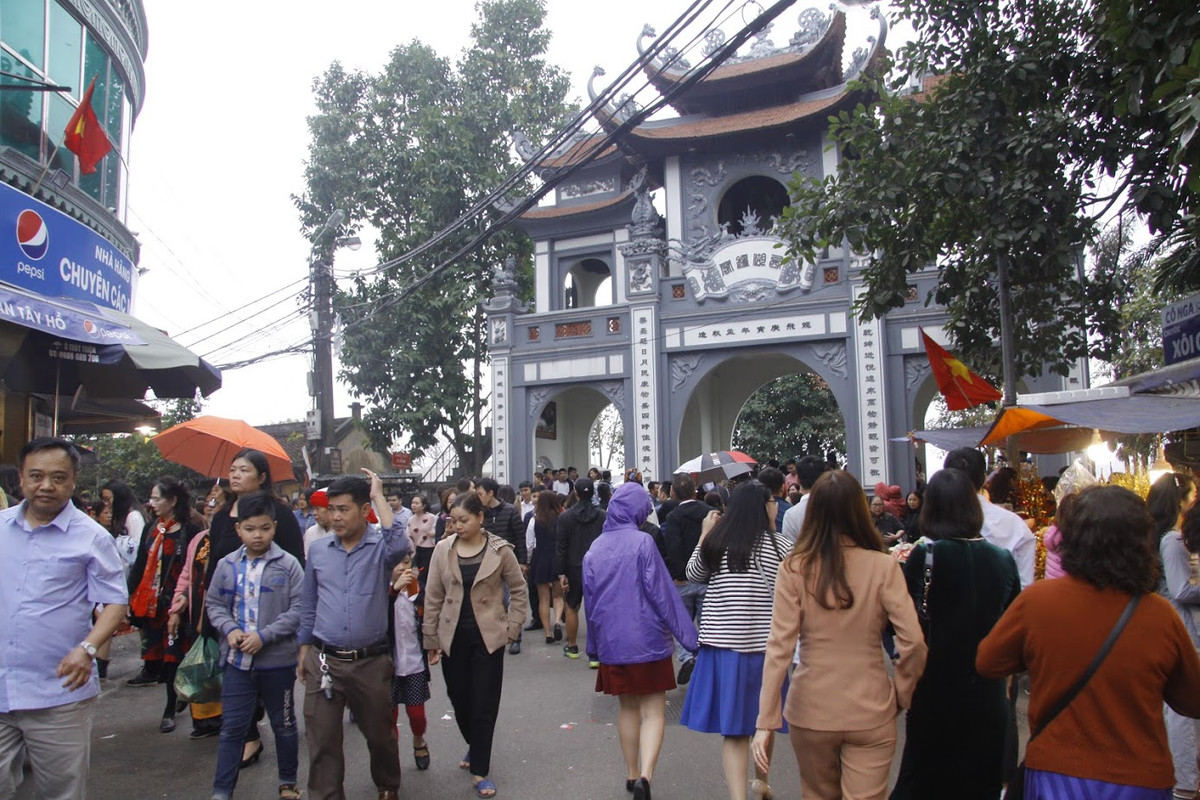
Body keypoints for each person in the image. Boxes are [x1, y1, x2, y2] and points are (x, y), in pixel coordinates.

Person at [977, 485, 1200, 798]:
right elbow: (1193, 699)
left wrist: (1041, 654)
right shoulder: (1160, 616)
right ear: (1140, 543)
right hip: (1140, 780)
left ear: (1073, 540)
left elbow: (988, 661)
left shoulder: (1038, 602)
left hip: (1057, 774)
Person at [753, 470, 927, 800]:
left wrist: (766, 721)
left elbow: (779, 647)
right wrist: (902, 694)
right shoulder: (883, 566)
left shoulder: (794, 568)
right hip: (871, 705)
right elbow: (913, 642)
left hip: (811, 708)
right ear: (859, 510)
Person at [0, 438, 128, 798]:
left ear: (72, 482)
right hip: (1, 686)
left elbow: (116, 603)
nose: (46, 486)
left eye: (58, 478)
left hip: (59, 692)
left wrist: (87, 648)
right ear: (22, 479)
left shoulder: (91, 538)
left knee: (61, 792)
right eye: (36, 476)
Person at [890, 468, 1021, 799]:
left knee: (927, 779)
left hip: (935, 684)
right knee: (981, 782)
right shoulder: (1003, 560)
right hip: (988, 689)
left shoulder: (926, 555)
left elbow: (906, 621)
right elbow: (1013, 623)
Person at [297, 471, 411, 800]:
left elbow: (399, 543)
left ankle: (388, 785)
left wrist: (378, 494)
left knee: (379, 736)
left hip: (370, 662)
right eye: (331, 509)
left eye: (343, 509)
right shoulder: (318, 551)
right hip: (324, 660)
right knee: (322, 740)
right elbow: (309, 604)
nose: (335, 516)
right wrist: (303, 649)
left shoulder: (379, 547)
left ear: (363, 511)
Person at [583, 482, 699, 800]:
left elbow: (590, 605)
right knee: (654, 710)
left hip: (613, 644)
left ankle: (631, 772)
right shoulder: (643, 543)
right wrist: (690, 638)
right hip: (648, 641)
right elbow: (663, 595)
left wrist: (594, 647)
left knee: (627, 710)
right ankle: (646, 776)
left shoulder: (594, 550)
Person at [680, 482, 792, 800]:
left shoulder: (718, 542)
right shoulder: (783, 546)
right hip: (766, 648)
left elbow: (693, 575)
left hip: (723, 647)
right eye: (772, 502)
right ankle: (761, 783)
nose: (775, 507)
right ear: (762, 507)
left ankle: (738, 796)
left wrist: (705, 533)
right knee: (764, 721)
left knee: (734, 730)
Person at [423, 492, 527, 799]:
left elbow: (519, 590)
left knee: (484, 704)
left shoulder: (500, 550)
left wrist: (512, 627)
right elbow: (433, 596)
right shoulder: (443, 549)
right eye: (453, 520)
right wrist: (430, 638)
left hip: (489, 638)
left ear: (480, 518)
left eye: (463, 520)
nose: (457, 526)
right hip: (452, 637)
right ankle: (475, 743)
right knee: (459, 700)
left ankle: (480, 769)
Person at [206, 491, 305, 800]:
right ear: (239, 530)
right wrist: (230, 630)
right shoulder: (226, 565)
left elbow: (300, 609)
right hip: (236, 662)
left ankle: (287, 782)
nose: (258, 535)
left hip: (277, 662)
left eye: (264, 528)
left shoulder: (288, 565)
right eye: (250, 529)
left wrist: (265, 635)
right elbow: (214, 604)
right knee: (232, 729)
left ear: (274, 527)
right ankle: (222, 790)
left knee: (285, 725)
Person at [126, 476, 200, 732]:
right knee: (162, 658)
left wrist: (185, 601)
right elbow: (139, 564)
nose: (152, 503)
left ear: (173, 500)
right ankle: (177, 699)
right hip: (153, 605)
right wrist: (130, 596)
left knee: (175, 657)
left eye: (157, 498)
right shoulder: (151, 529)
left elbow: (194, 570)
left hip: (179, 605)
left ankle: (171, 708)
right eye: (152, 498)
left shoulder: (190, 530)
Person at [169, 480, 234, 739]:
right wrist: (177, 606)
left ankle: (231, 718)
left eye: (216, 503)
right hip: (198, 612)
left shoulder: (233, 538)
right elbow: (186, 576)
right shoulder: (198, 540)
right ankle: (204, 721)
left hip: (224, 614)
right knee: (202, 665)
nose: (211, 507)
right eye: (209, 503)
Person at [1151, 472, 1200, 799]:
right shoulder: (1170, 539)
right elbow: (1182, 589)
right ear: (1180, 499)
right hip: (1179, 625)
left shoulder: (1170, 536)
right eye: (1193, 493)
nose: (1195, 499)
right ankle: (1185, 778)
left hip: (1176, 623)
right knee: (1182, 709)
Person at [943, 448, 1035, 588]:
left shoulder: (934, 524)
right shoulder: (1015, 525)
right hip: (1004, 608)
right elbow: (1025, 587)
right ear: (985, 478)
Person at [660, 473, 711, 684]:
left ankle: (687, 657)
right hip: (709, 578)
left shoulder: (673, 517)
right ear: (695, 490)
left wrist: (678, 575)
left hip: (682, 581)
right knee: (707, 623)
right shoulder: (711, 513)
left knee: (681, 623)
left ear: (673, 493)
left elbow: (672, 548)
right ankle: (706, 661)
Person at [389, 553, 432, 773]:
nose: (401, 568)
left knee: (416, 714)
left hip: (414, 663)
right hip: (388, 666)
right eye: (396, 563)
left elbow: (428, 618)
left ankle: (419, 740)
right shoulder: (381, 593)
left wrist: (433, 645)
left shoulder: (418, 590)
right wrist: (394, 590)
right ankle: (391, 759)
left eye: (405, 562)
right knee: (390, 716)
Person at [556, 478, 606, 660]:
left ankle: (573, 646)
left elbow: (561, 546)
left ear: (575, 493)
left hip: (573, 567)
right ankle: (596, 653)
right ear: (592, 493)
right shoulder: (602, 515)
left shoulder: (565, 516)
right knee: (597, 609)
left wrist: (561, 573)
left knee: (571, 607)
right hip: (598, 567)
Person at [477, 478, 527, 654]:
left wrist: (522, 561)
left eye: (480, 493)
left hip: (507, 562)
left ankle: (515, 636)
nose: (478, 497)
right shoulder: (479, 513)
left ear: (491, 493)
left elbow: (519, 537)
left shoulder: (510, 511)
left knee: (510, 599)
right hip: (485, 564)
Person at [527, 490, 565, 644]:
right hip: (557, 558)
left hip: (540, 558)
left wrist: (529, 562)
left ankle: (548, 633)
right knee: (558, 595)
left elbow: (529, 544)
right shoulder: (561, 518)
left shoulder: (534, 520)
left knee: (543, 598)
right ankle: (557, 621)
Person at [103, 478, 149, 573]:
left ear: (119, 497)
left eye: (108, 499)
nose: (106, 504)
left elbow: (137, 552)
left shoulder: (134, 517)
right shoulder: (121, 518)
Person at [780, 455, 830, 542]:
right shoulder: (837, 507)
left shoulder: (791, 515)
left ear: (798, 480)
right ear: (824, 477)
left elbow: (790, 550)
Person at [406, 494, 438, 592]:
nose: (413, 505)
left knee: (425, 574)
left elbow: (438, 531)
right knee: (417, 573)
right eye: (412, 503)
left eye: (416, 503)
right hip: (417, 550)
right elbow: (408, 535)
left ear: (423, 506)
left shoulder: (432, 517)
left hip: (429, 549)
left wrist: (433, 534)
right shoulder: (411, 519)